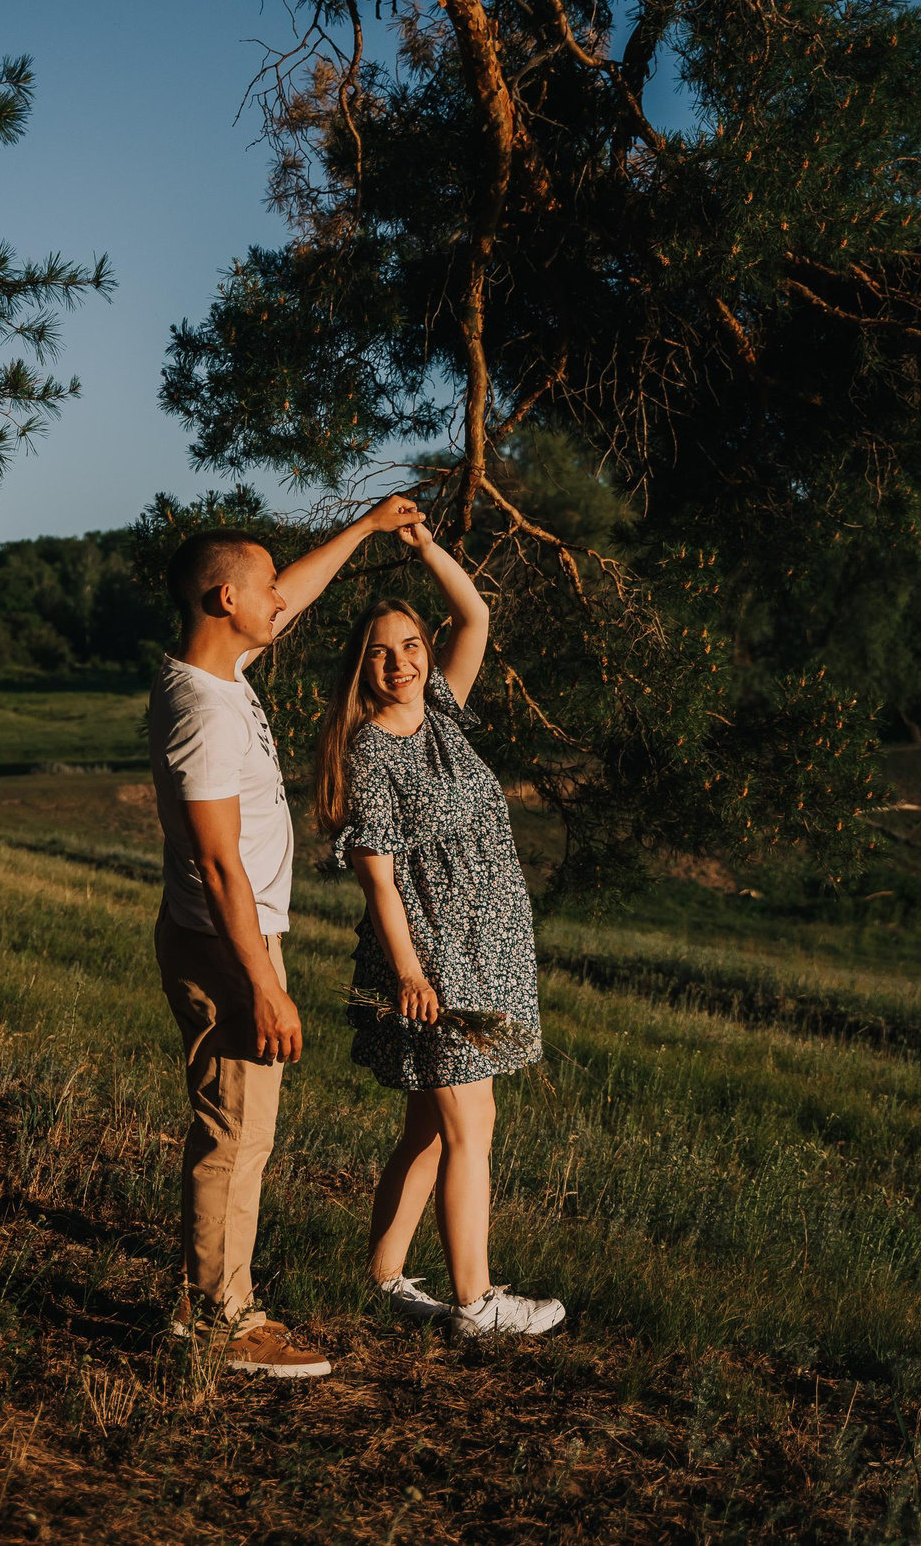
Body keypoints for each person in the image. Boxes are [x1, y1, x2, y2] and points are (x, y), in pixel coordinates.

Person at [149, 494, 425, 1378]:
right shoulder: (203, 711)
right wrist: (265, 984)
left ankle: (216, 1302)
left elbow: (289, 597)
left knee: (240, 1132)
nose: (282, 598)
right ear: (226, 599)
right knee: (235, 1135)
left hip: (233, 939)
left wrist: (366, 529)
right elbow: (219, 864)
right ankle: (221, 1319)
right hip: (228, 945)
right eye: (266, 584)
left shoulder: (218, 673)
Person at [314, 520, 565, 1340]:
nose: (401, 662)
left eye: (412, 645)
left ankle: (384, 1276)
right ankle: (477, 1301)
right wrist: (412, 972)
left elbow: (476, 615)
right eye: (381, 652)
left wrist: (424, 546)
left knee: (429, 1125)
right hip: (434, 955)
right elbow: (378, 878)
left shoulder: (445, 713)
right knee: (470, 1124)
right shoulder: (369, 751)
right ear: (362, 667)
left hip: (489, 944)